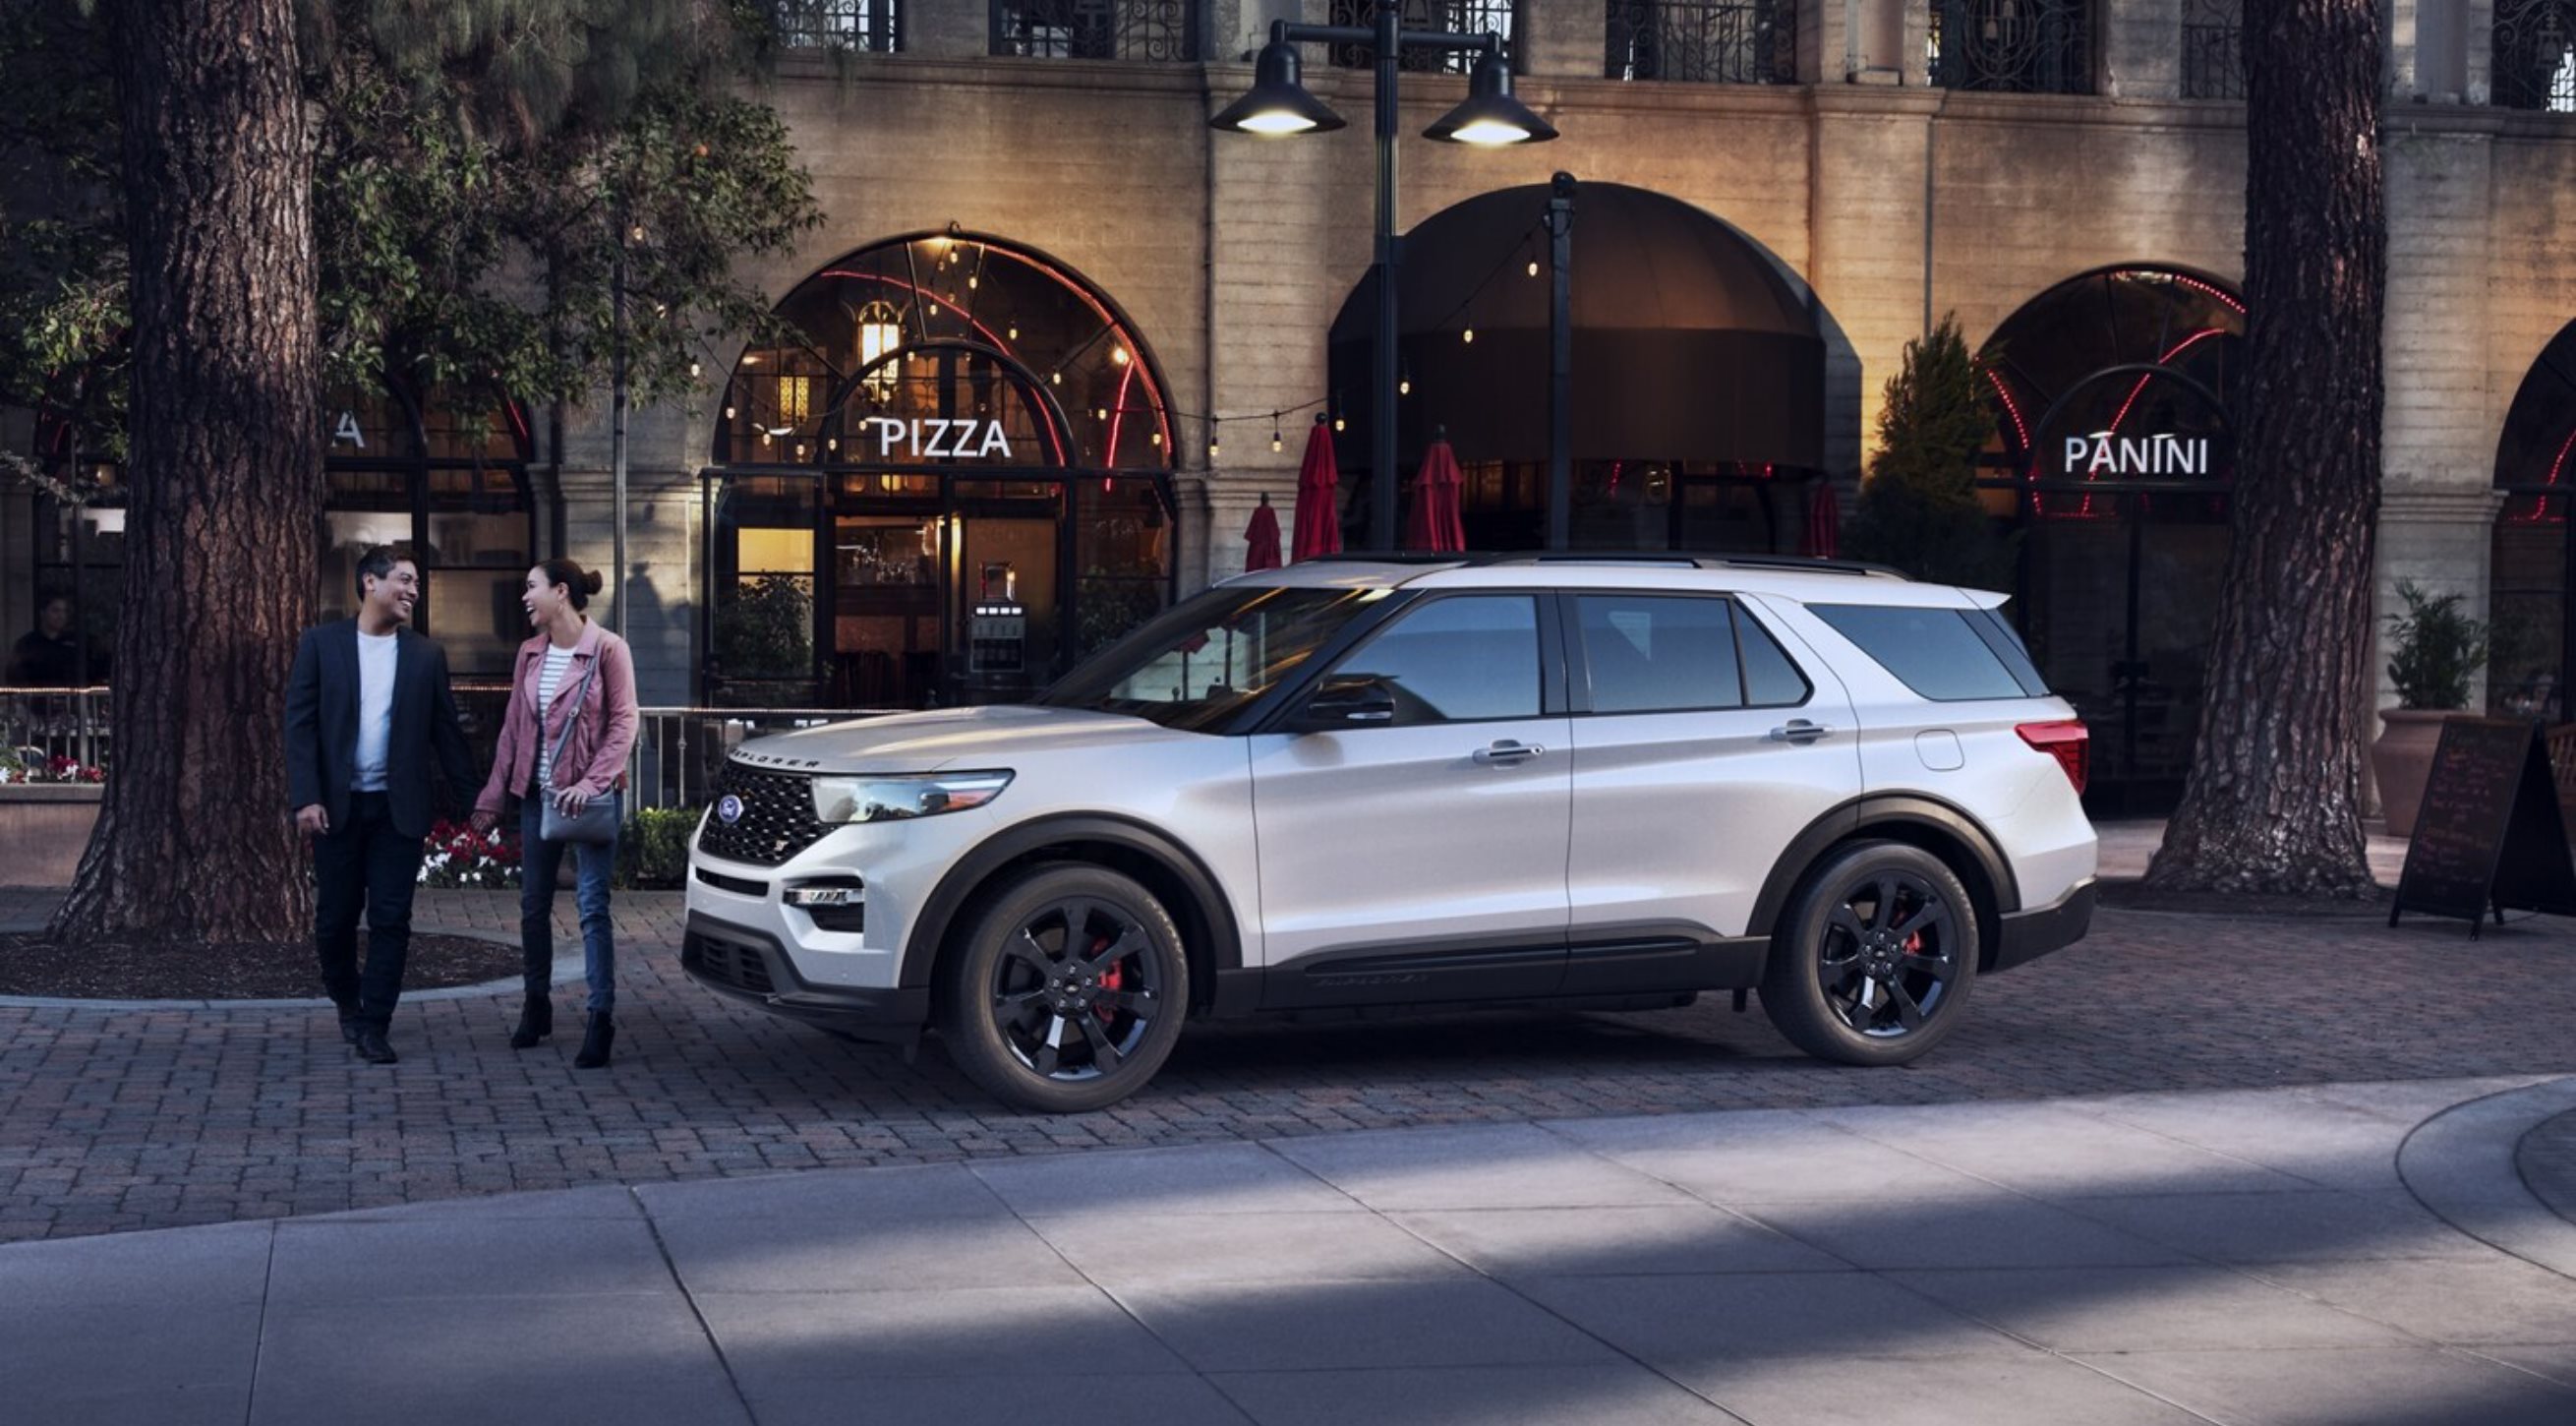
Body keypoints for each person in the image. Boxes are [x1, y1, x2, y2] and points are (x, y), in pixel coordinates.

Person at [283, 545, 475, 1064]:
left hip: (398, 810)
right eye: (405, 580)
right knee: (335, 921)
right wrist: (306, 797)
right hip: (337, 811)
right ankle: (347, 1002)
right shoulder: (321, 645)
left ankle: (375, 1022)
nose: (413, 590)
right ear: (370, 581)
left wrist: (477, 801)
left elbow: (445, 734)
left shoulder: (425, 655)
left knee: (391, 918)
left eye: (416, 583)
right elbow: (298, 727)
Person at [471, 558, 638, 1069]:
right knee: (531, 907)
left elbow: (624, 723)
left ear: (560, 592)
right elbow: (515, 731)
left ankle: (599, 1018)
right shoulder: (530, 654)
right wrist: (493, 796)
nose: (524, 597)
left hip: (588, 799)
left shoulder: (608, 649)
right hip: (538, 796)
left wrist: (590, 784)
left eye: (531, 588)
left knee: (591, 909)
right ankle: (536, 1005)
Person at [7, 595, 82, 686]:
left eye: (64, 611)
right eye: (55, 611)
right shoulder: (27, 644)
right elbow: (14, 676)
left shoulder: (74, 643)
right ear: (42, 612)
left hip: (71, 698)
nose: (61, 616)